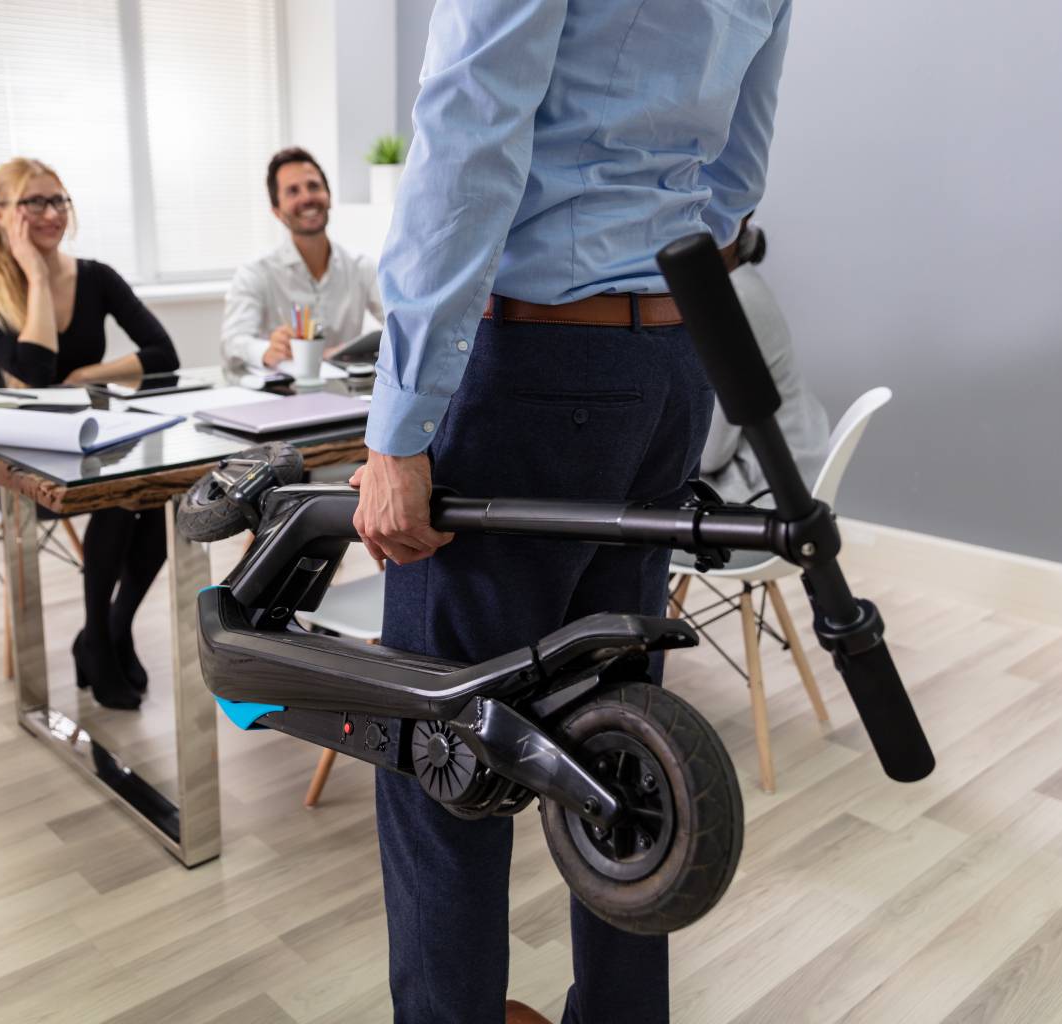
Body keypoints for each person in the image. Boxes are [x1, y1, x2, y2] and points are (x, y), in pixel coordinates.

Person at [349, 3, 794, 1023]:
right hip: (669, 366)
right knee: (618, 737)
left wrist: (399, 424)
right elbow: (737, 170)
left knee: (441, 748)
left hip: (538, 363)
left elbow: (470, 132)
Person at [0, 157, 178, 712]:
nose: (52, 213)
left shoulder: (97, 278)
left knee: (147, 495)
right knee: (117, 499)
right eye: (34, 202)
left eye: (59, 201)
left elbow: (163, 355)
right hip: (15, 463)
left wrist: (90, 374)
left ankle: (108, 631)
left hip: (90, 443)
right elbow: (35, 373)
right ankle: (101, 646)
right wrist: (35, 275)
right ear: (1, 214)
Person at [220, 147, 383, 377]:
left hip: (349, 393)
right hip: (282, 397)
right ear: (276, 211)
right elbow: (232, 342)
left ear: (329, 196)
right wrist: (267, 349)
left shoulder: (361, 266)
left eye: (314, 186)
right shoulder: (256, 272)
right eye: (293, 191)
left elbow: (400, 325)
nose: (307, 198)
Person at [703, 252, 831, 504]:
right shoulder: (744, 281)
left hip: (771, 491)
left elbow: (709, 454)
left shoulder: (731, 300)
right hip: (802, 463)